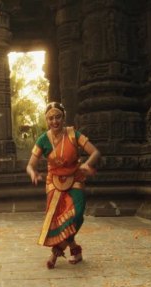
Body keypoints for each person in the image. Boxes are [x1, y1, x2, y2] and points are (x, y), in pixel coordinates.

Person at [26, 102, 101, 268]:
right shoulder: (43, 139)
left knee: (77, 215)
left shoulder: (74, 134)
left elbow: (95, 152)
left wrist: (87, 164)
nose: (54, 121)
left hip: (75, 178)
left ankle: (55, 253)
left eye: (58, 117)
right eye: (50, 118)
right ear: (46, 120)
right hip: (54, 182)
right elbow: (30, 165)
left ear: (63, 117)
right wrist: (33, 173)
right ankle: (74, 249)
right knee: (57, 220)